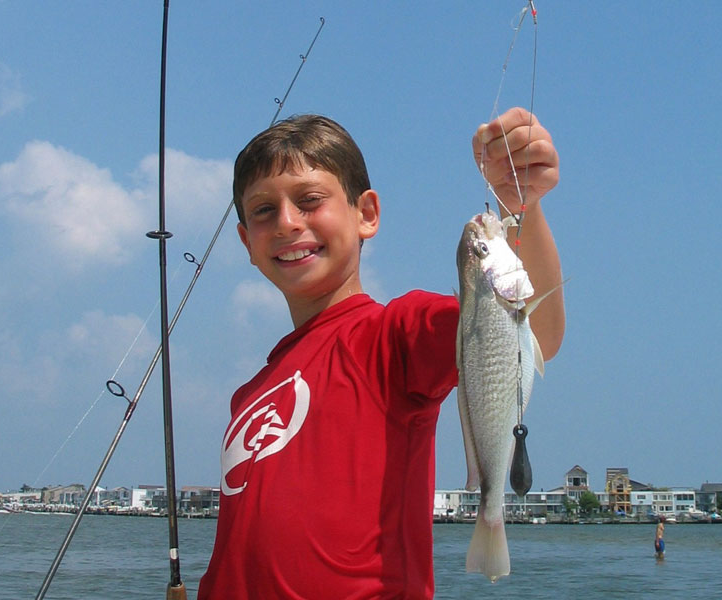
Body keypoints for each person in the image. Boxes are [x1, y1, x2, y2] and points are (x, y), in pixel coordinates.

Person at [197, 108, 565, 599]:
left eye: (309, 201)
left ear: (366, 213)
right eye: (263, 211)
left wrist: (522, 208)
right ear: (247, 240)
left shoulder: (394, 335)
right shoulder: (250, 393)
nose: (287, 223)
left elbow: (534, 330)